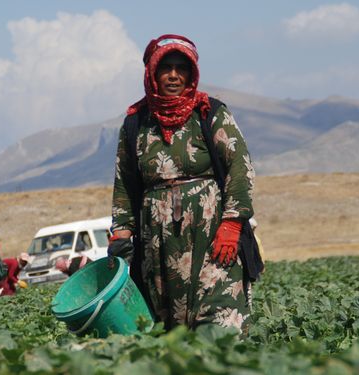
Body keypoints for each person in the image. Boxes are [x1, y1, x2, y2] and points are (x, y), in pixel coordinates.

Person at [110, 34, 256, 334]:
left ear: (192, 73)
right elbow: (124, 181)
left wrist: (233, 221)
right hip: (159, 246)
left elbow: (239, 164)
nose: (174, 75)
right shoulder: (136, 124)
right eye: (166, 68)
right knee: (171, 333)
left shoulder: (209, 113)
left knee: (217, 325)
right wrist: (122, 232)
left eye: (182, 68)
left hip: (214, 239)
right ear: (152, 73)